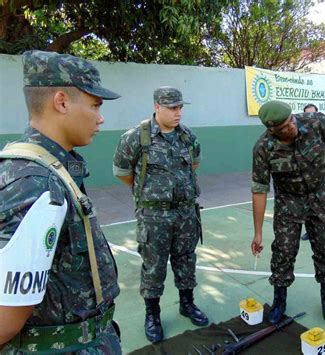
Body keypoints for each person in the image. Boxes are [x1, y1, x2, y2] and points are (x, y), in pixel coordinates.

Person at [0, 50, 121, 354]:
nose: (101, 117)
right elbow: (6, 318)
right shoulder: (36, 182)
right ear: (62, 102)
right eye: (95, 105)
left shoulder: (51, 166)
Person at [113, 87, 208, 343]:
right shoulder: (136, 137)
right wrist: (151, 193)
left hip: (186, 212)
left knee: (186, 259)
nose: (178, 112)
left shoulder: (187, 136)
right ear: (157, 106)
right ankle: (152, 315)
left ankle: (187, 304)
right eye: (172, 108)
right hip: (154, 216)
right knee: (154, 265)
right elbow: (122, 172)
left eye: (180, 107)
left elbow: (195, 164)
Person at [251, 100, 325, 325]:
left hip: (320, 196)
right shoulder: (263, 148)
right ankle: (279, 300)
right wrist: (258, 232)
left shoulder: (317, 123)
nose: (291, 127)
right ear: (271, 130)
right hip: (288, 203)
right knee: (283, 251)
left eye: (290, 121)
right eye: (283, 128)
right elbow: (259, 190)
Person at [301, 103, 325, 242]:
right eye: (308, 114)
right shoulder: (300, 134)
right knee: (308, 206)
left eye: (314, 114)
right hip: (307, 180)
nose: (311, 117)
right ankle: (309, 232)